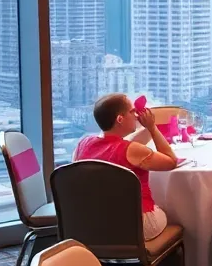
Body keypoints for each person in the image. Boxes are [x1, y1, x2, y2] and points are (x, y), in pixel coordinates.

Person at [73, 93, 178, 240]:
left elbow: (125, 147)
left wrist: (149, 127)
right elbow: (172, 162)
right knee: (174, 216)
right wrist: (153, 128)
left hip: (95, 224)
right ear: (120, 119)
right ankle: (149, 261)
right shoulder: (131, 151)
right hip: (133, 224)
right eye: (132, 112)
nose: (136, 116)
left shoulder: (82, 145)